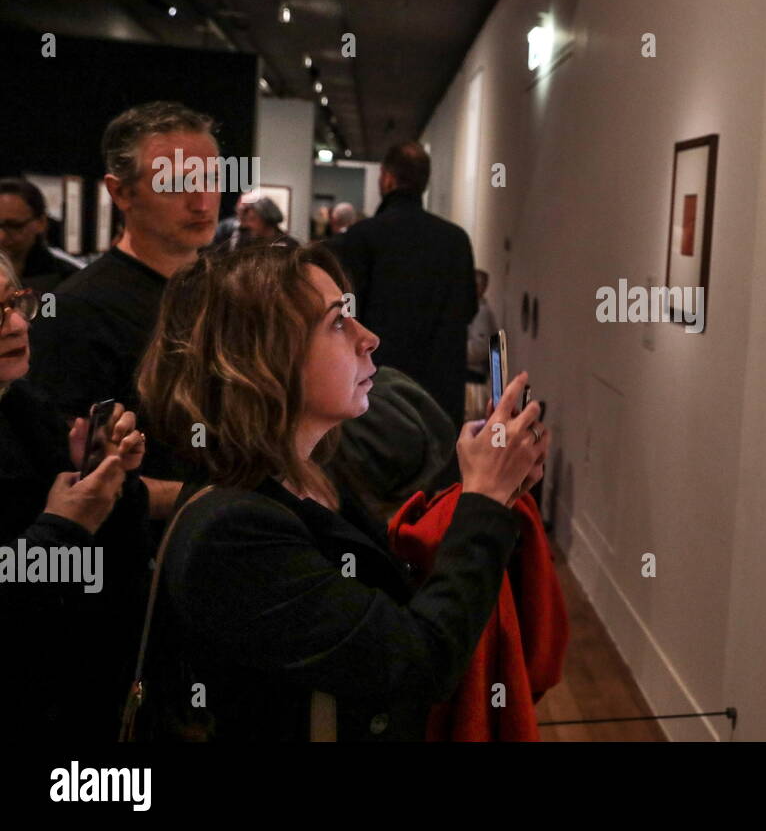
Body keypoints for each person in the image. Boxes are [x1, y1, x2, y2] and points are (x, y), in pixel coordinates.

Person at [136, 243, 549, 740]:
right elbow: (416, 663)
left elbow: (386, 606)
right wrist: (482, 500)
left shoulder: (313, 471)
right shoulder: (229, 534)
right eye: (337, 323)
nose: (369, 338)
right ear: (262, 357)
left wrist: (494, 494)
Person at [0, 250, 152, 741]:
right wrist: (63, 527)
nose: (18, 325)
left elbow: (114, 564)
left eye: (15, 303)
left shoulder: (25, 403)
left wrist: (110, 476)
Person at [26, 101, 219, 488]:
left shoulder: (225, 291)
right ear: (121, 192)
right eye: (176, 183)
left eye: (212, 178)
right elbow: (73, 474)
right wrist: (212, 502)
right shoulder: (78, 312)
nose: (201, 201)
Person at [327, 142, 477, 428]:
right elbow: (467, 310)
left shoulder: (361, 237)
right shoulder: (456, 240)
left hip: (378, 396)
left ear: (387, 178)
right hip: (440, 399)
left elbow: (344, 318)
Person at [0, 177, 82, 295]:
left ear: (41, 223)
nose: (1, 236)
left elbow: (50, 313)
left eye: (14, 226)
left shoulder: (69, 279)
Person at [465, 268, 499, 421]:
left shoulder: (481, 312)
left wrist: (452, 351)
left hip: (474, 383)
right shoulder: (475, 310)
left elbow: (479, 348)